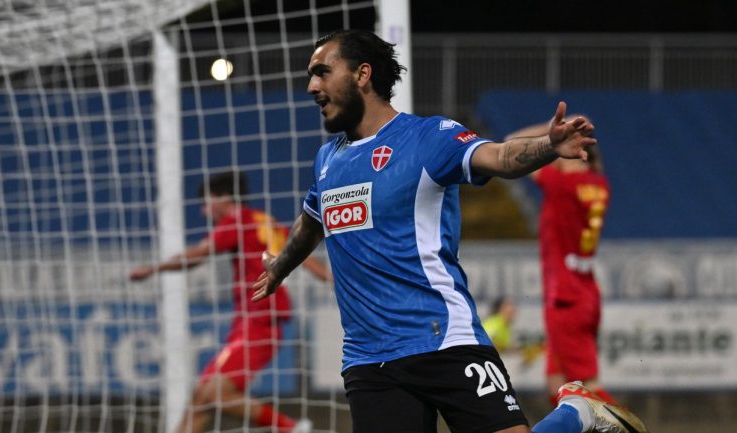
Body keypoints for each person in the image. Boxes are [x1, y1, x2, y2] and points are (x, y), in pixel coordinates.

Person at [252, 30, 647, 433]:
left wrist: (548, 145)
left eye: (322, 72)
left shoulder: (428, 137)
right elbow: (310, 221)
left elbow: (501, 156)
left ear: (362, 75)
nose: (311, 86)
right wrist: (281, 265)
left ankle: (575, 414)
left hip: (442, 339)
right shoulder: (327, 159)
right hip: (368, 361)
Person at [130, 170, 329, 433]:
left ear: (224, 198)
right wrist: (335, 280)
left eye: (206, 202)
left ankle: (292, 429)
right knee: (200, 399)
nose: (204, 212)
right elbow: (303, 256)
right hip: (255, 321)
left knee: (214, 394)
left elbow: (198, 255)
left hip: (260, 320)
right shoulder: (264, 221)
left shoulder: (237, 221)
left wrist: (155, 268)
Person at [505, 120, 614, 407]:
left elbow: (511, 141)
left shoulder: (561, 184)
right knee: (555, 380)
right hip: (586, 291)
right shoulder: (599, 184)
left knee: (590, 391)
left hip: (566, 296)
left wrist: (550, 130)